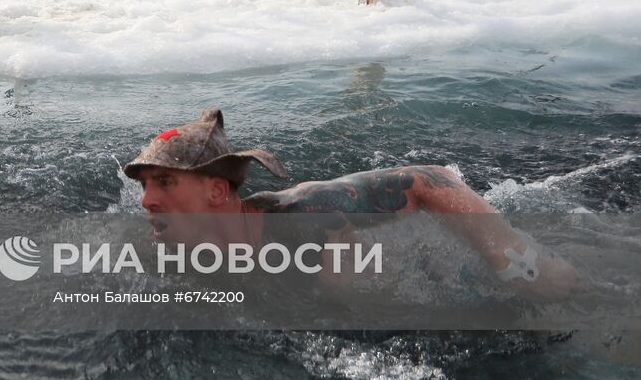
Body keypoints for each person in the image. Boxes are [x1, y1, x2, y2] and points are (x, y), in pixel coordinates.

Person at [125, 109, 577, 300]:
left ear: (217, 192)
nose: (147, 200)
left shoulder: (309, 215)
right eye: (145, 185)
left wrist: (511, 258)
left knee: (555, 290)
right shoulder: (167, 256)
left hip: (439, 270)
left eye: (164, 182)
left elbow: (428, 178)